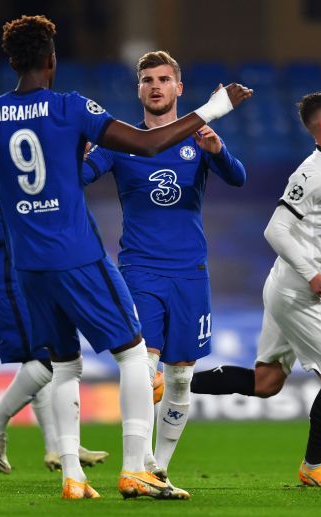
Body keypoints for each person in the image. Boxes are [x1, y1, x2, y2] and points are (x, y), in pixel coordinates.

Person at [0, 15, 252, 499]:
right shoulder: (68, 107)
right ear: (51, 61)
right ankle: (136, 470)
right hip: (77, 254)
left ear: (12, 60)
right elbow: (147, 143)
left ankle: (73, 476)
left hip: (26, 264)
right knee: (132, 355)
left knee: (64, 364)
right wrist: (215, 106)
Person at [190, 87, 321, 488]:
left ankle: (177, 383)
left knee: (266, 382)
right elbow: (276, 229)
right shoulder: (312, 172)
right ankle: (313, 467)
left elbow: (315, 231)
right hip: (298, 291)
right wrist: (311, 274)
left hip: (287, 285)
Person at [83, 50, 245, 493]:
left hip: (191, 272)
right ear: (138, 89)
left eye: (163, 79)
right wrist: (75, 155)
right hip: (140, 270)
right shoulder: (120, 142)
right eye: (147, 79)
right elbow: (81, 174)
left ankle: (159, 468)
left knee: (180, 376)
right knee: (142, 363)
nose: (155, 86)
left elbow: (238, 178)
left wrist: (219, 150)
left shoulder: (200, 137)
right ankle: (138, 461)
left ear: (179, 89)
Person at [0, 154, 108, 472]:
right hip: (3, 273)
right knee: (45, 359)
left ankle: (57, 447)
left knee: (40, 356)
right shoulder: (11, 162)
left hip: (10, 268)